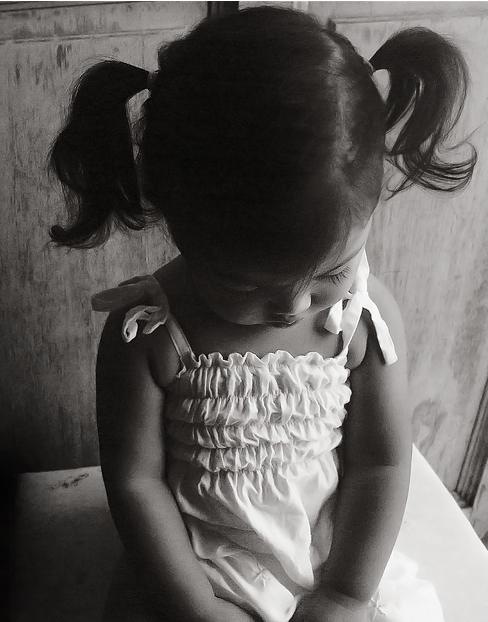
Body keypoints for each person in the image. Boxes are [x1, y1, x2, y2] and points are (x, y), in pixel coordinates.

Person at [47, 6, 476, 622]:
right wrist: (198, 608)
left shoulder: (362, 319)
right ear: (176, 220)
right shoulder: (150, 334)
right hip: (196, 571)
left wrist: (346, 594)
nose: (294, 307)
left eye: (332, 271)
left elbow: (382, 461)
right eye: (244, 283)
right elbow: (136, 483)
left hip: (332, 558)